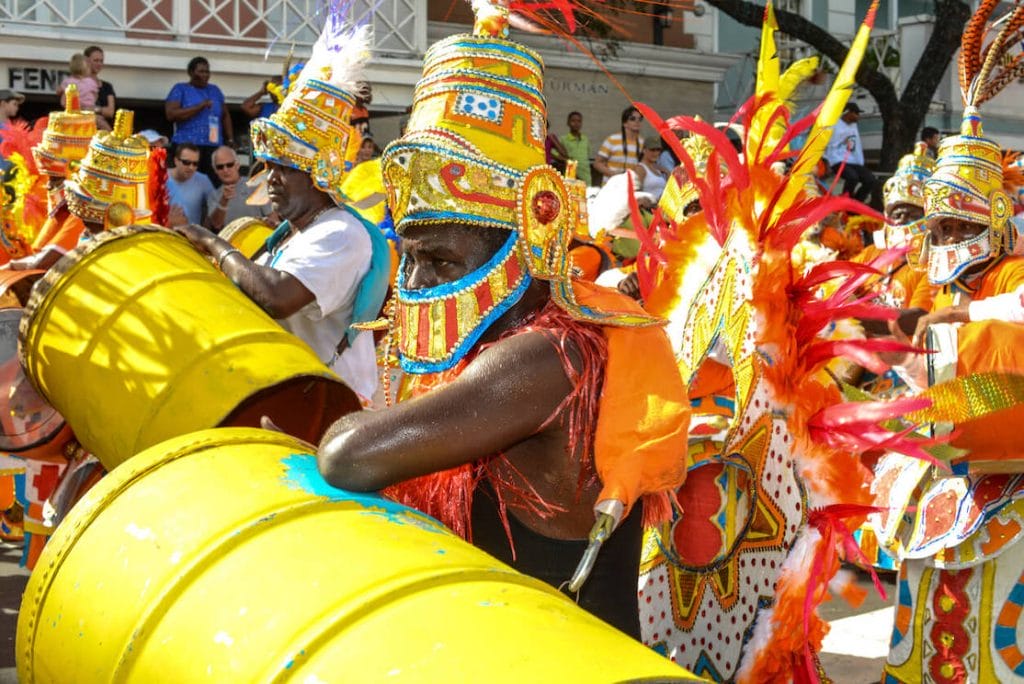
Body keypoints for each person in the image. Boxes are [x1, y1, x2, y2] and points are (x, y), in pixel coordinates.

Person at [315, 0, 690, 639]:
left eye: (439, 260)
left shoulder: (550, 355)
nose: (415, 285)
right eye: (410, 259)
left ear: (528, 241)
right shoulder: (511, 340)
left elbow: (350, 456)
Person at [871, 9, 1024, 681]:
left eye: (958, 222)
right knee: (920, 632)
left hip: (1009, 481)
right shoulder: (926, 285)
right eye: (937, 225)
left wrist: (935, 340)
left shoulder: (1013, 274)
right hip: (929, 483)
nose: (943, 238)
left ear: (992, 219)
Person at [172, 23, 390, 402]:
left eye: (284, 169)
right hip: (291, 402)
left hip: (334, 412)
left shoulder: (341, 233)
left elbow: (276, 295)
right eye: (269, 167)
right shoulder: (290, 232)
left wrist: (210, 241)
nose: (269, 179)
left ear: (320, 175)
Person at [6, 84, 97, 271]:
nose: (48, 186)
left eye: (54, 179)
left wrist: (12, 268)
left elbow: (43, 263)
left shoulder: (86, 210)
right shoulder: (65, 207)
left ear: (74, 172)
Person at [165, 56, 234, 178]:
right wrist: (199, 107)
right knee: (187, 181)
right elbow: (171, 114)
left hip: (212, 146)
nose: (205, 75)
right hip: (187, 147)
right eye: (201, 71)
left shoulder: (215, 90)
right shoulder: (181, 89)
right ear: (191, 73)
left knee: (212, 182)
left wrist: (230, 139)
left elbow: (225, 115)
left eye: (207, 71)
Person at [204, 145, 272, 232]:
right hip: (230, 243)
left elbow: (272, 216)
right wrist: (223, 201)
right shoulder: (214, 195)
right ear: (215, 170)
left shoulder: (255, 185)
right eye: (220, 167)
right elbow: (216, 225)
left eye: (229, 165)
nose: (225, 170)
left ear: (237, 165)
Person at [823, 102, 879, 207]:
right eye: (856, 113)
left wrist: (860, 162)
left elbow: (856, 145)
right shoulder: (834, 125)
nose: (858, 116)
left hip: (853, 160)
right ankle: (845, 202)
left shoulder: (853, 126)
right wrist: (826, 162)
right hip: (836, 160)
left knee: (870, 180)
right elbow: (826, 144)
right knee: (852, 177)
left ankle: (856, 204)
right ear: (848, 113)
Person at [166, 143, 215, 227]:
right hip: (164, 235)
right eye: (186, 162)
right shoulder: (160, 178)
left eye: (195, 164)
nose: (191, 167)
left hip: (192, 237)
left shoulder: (203, 180)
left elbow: (215, 208)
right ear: (176, 161)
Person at [594, 106, 644, 185]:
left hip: (630, 186)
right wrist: (613, 174)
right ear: (624, 123)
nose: (637, 121)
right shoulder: (612, 139)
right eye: (632, 119)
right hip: (610, 186)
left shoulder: (642, 142)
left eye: (640, 119)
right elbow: (597, 163)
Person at [84, 46, 116, 128]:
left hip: (103, 134)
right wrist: (101, 111)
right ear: (86, 61)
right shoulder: (77, 83)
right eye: (96, 60)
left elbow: (110, 112)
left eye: (101, 61)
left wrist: (93, 109)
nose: (99, 64)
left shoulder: (107, 86)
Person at [559, 111, 592, 186]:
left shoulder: (585, 139)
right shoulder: (564, 139)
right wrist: (566, 161)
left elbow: (588, 154)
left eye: (579, 121)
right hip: (571, 174)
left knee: (587, 195)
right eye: (573, 121)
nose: (576, 123)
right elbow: (555, 154)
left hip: (585, 175)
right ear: (568, 123)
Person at [633, 137, 668, 205]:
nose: (655, 153)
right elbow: (636, 192)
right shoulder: (640, 168)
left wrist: (666, 171)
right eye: (652, 150)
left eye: (658, 150)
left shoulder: (658, 169)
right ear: (644, 150)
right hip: (649, 209)